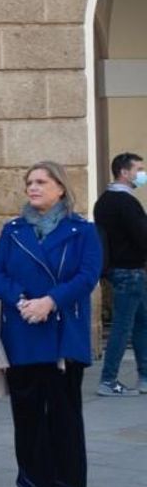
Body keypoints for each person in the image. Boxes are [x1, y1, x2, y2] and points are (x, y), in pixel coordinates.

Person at [0, 161, 102, 487]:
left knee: (64, 410)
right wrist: (21, 300)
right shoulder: (13, 230)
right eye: (29, 183)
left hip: (63, 331)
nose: (33, 188)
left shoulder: (83, 230)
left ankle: (68, 482)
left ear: (60, 188)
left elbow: (87, 275)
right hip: (23, 329)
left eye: (40, 182)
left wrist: (51, 301)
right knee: (27, 410)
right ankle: (33, 483)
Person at [93, 152, 147, 396]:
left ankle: (145, 376)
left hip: (117, 269)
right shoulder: (126, 203)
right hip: (130, 271)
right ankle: (108, 379)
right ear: (124, 172)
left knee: (141, 324)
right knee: (124, 327)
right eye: (139, 169)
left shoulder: (103, 201)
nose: (142, 174)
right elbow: (142, 236)